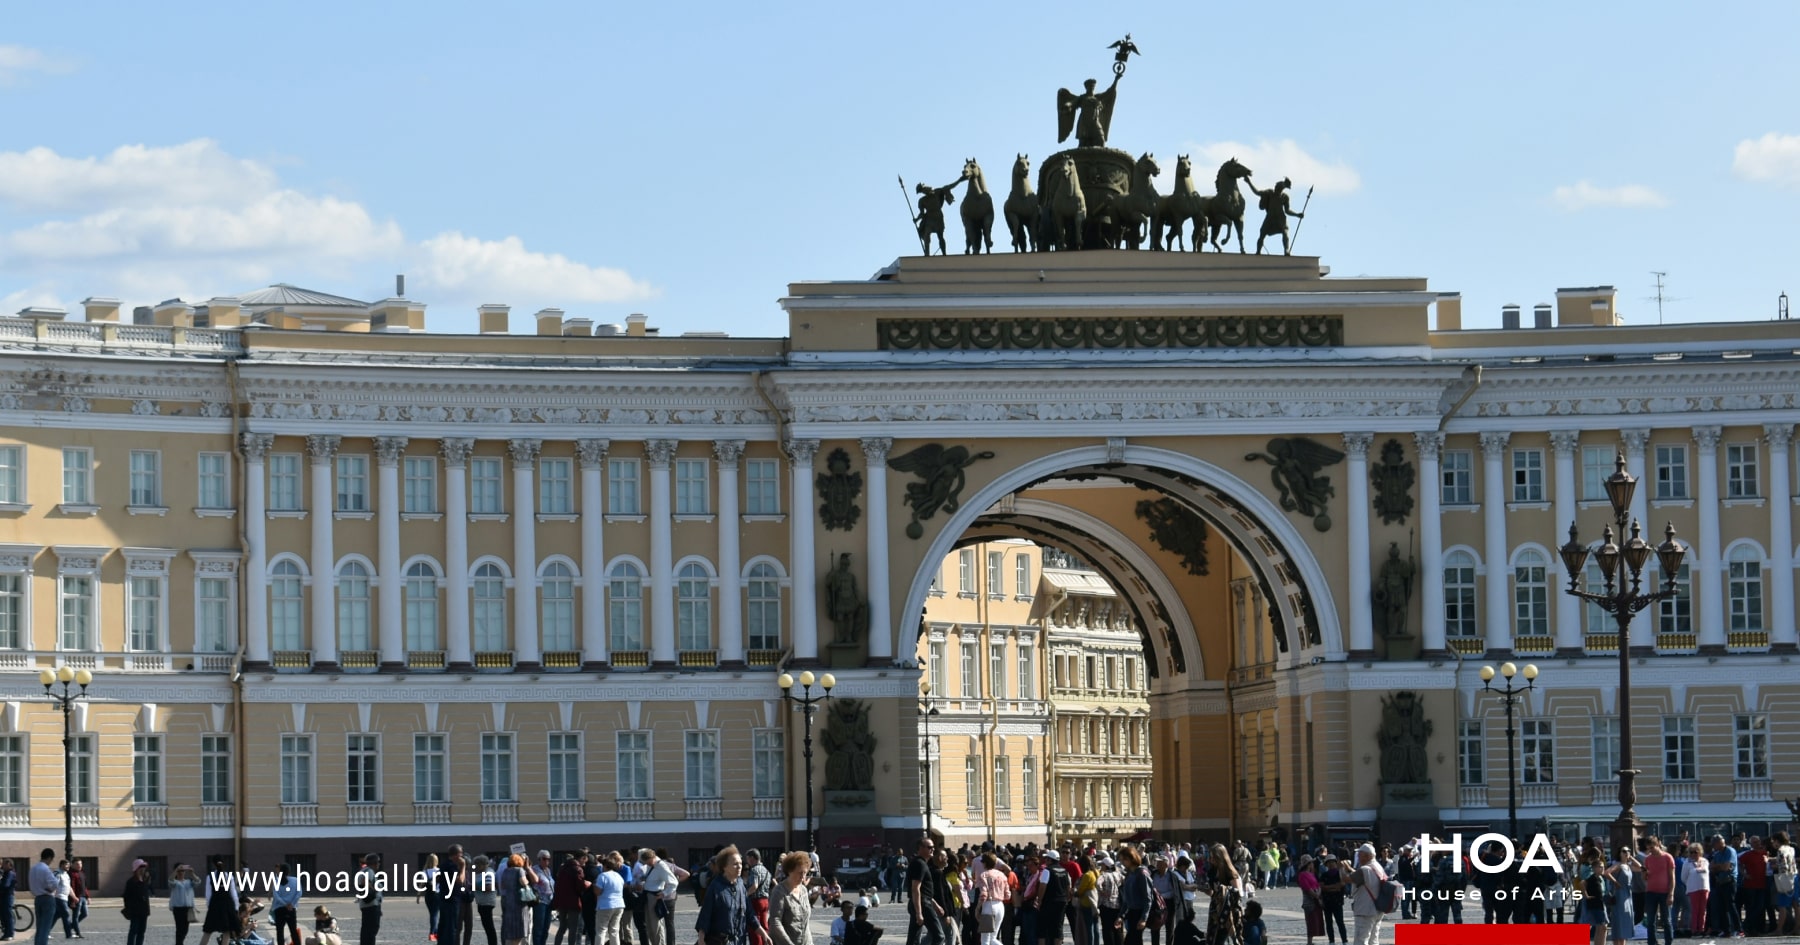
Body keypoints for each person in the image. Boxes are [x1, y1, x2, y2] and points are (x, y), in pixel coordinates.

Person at [695, 846, 748, 945]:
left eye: (740, 863)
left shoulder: (741, 885)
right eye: (735, 864)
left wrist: (762, 932)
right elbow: (705, 914)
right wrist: (701, 938)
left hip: (739, 940)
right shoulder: (715, 887)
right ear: (725, 867)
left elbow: (749, 912)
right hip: (720, 940)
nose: (740, 866)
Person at [1247, 177, 1304, 256]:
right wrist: (1249, 182)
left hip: (1280, 218)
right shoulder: (1269, 193)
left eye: (1281, 187)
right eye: (1277, 186)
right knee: (1262, 233)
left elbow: (1287, 211)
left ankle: (1286, 250)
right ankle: (1258, 252)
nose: (1277, 188)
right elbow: (1257, 192)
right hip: (1270, 218)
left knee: (1285, 232)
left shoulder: (1285, 197)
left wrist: (1297, 214)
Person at [768, 851, 813, 945]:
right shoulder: (779, 891)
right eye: (799, 873)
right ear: (790, 871)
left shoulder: (803, 890)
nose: (803, 876)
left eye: (805, 873)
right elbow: (775, 921)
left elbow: (806, 923)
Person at [907, 837, 945, 945]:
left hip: (922, 902)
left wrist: (935, 904)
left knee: (913, 939)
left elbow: (924, 890)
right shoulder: (919, 864)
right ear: (920, 848)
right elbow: (915, 888)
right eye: (929, 847)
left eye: (933, 847)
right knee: (939, 936)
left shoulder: (921, 863)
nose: (932, 849)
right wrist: (919, 912)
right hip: (922, 904)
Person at [1347, 845, 1385, 945]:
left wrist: (1342, 868)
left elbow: (1345, 879)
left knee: (1361, 939)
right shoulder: (1378, 866)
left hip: (1365, 910)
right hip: (1377, 908)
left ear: (1367, 856)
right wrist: (1350, 868)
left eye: (1360, 855)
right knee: (1374, 940)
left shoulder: (1364, 869)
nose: (1358, 858)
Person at [1641, 838, 1675, 945]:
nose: (1650, 850)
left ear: (1658, 844)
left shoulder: (1667, 857)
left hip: (1664, 892)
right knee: (1651, 920)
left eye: (1652, 847)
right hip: (1651, 892)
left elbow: (1672, 877)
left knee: (1667, 920)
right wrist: (1644, 873)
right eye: (1648, 848)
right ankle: (1652, 942)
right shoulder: (1648, 859)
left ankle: (1668, 942)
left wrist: (1671, 894)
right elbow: (1645, 878)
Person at [199, 861, 240, 945]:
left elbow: (208, 895)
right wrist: (236, 908)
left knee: (208, 931)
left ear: (214, 865)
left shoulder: (210, 876)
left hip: (215, 904)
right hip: (227, 904)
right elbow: (233, 893)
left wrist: (209, 907)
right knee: (227, 931)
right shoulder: (229, 876)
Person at [1116, 848, 1151, 945]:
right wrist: (1121, 916)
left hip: (1139, 913)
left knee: (1131, 941)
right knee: (1135, 941)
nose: (1122, 862)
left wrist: (1144, 918)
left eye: (1124, 859)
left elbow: (1148, 899)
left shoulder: (1142, 874)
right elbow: (1126, 899)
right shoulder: (1130, 874)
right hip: (1131, 913)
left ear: (1131, 858)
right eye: (1121, 859)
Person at [554, 854, 588, 945]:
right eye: (584, 860)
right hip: (574, 902)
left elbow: (557, 886)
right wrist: (586, 884)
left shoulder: (562, 868)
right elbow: (580, 886)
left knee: (562, 927)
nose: (585, 862)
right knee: (573, 928)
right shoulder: (578, 869)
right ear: (581, 859)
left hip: (562, 902)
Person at [593, 853, 626, 945]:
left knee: (601, 930)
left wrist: (594, 885)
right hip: (619, 905)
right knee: (614, 931)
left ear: (605, 866)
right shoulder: (619, 876)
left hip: (605, 905)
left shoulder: (602, 876)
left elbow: (598, 892)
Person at [501, 854, 531, 945]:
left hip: (509, 902)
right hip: (519, 903)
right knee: (519, 931)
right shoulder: (520, 870)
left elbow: (502, 885)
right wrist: (527, 881)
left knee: (510, 931)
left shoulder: (505, 871)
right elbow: (523, 882)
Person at [744, 851, 772, 945]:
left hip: (756, 900)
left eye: (748, 858)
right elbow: (773, 884)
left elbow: (755, 886)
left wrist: (745, 895)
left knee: (755, 926)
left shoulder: (754, 869)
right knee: (764, 925)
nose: (747, 861)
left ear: (752, 858)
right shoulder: (766, 870)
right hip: (765, 901)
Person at [29, 850, 56, 945]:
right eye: (51, 859)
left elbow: (31, 884)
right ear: (49, 858)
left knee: (39, 926)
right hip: (47, 898)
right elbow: (53, 884)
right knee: (46, 927)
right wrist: (50, 888)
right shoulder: (46, 869)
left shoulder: (33, 868)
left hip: (37, 898)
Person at [123, 859, 153, 945]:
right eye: (141, 867)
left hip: (144, 911)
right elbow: (126, 897)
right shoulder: (131, 882)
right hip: (135, 911)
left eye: (144, 867)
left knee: (141, 932)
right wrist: (129, 908)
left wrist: (147, 879)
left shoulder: (145, 880)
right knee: (133, 931)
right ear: (136, 868)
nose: (144, 869)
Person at [1318, 855, 1347, 944]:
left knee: (1340, 922)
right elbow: (1322, 887)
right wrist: (1334, 887)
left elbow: (1341, 885)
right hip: (1327, 902)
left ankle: (1344, 940)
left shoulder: (1340, 874)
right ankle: (1331, 940)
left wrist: (1329, 887)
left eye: (1332, 862)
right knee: (1328, 922)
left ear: (1335, 863)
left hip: (1337, 902)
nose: (1331, 864)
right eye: (1328, 863)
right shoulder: (1324, 875)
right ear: (1326, 865)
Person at [271, 863, 302, 945]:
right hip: (291, 909)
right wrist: (291, 904)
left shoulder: (277, 881)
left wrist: (284, 904)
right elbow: (299, 893)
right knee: (293, 931)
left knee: (279, 931)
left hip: (279, 908)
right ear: (289, 871)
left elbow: (276, 896)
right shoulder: (295, 880)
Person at [356, 856, 384, 945]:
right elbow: (365, 882)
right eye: (378, 862)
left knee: (366, 930)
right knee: (371, 931)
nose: (379, 864)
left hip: (365, 905)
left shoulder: (362, 871)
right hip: (371, 904)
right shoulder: (369, 871)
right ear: (374, 863)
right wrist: (374, 890)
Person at [471, 857, 499, 945]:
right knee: (487, 925)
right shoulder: (480, 873)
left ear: (482, 864)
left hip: (487, 902)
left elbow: (489, 887)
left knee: (489, 926)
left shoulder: (488, 873)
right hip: (481, 902)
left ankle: (493, 943)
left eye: (477, 865)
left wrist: (475, 887)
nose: (475, 867)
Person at [1296, 857, 1324, 945]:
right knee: (1310, 921)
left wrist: (1319, 893)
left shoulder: (1311, 874)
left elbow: (1317, 884)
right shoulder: (1303, 875)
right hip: (1309, 901)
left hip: (1316, 898)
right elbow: (1307, 888)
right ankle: (1309, 942)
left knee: (1314, 921)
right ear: (1308, 864)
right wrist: (1316, 895)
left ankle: (1311, 941)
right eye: (1311, 863)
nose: (1313, 865)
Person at [170, 863, 199, 945]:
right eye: (179, 871)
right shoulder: (175, 882)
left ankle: (180, 943)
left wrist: (192, 873)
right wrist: (176, 870)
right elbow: (170, 881)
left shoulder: (189, 882)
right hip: (178, 909)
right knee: (179, 929)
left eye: (183, 870)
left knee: (185, 930)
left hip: (188, 908)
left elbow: (198, 881)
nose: (181, 872)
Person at [1, 858, 15, 943]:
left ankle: (10, 934)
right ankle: (5, 933)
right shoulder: (5, 873)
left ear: (10, 865)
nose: (4, 866)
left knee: (8, 916)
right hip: (3, 897)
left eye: (6, 864)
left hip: (7, 896)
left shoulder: (10, 873)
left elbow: (6, 885)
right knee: (3, 916)